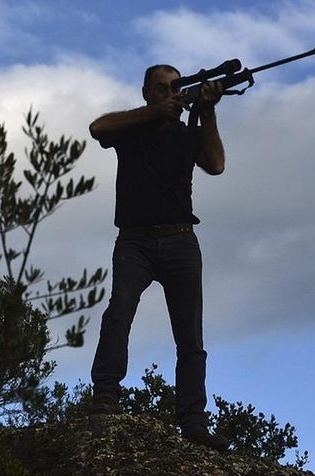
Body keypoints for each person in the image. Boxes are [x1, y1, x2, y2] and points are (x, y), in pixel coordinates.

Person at [87, 64, 229, 452]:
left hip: (181, 239)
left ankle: (193, 422)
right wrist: (154, 113)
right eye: (163, 89)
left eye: (175, 88)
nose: (170, 94)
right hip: (134, 242)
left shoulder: (186, 134)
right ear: (147, 92)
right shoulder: (132, 128)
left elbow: (215, 164)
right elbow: (98, 128)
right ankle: (105, 395)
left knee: (190, 337)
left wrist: (209, 110)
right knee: (119, 313)